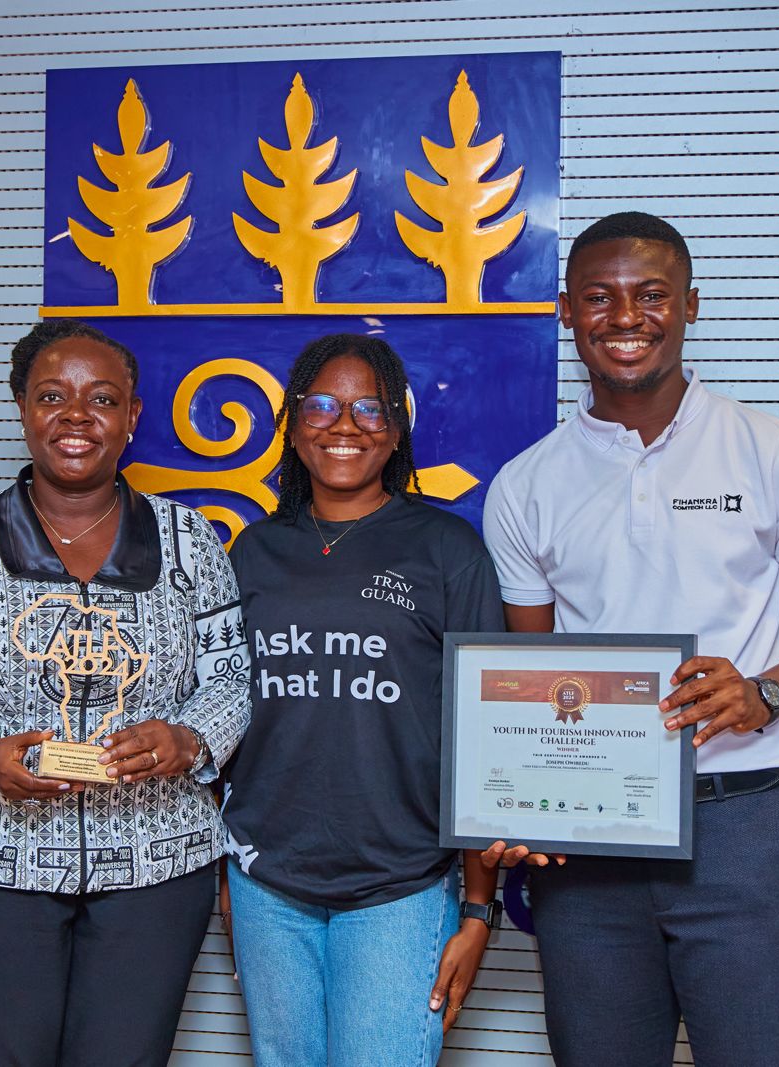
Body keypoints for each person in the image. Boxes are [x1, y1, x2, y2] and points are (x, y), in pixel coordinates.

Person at [482, 212, 779, 1066]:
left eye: (650, 295)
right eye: (599, 297)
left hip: (740, 826)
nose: (624, 316)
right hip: (591, 850)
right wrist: (519, 803)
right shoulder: (527, 486)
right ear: (567, 312)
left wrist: (766, 690)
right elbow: (529, 677)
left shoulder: (770, 452)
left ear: (691, 306)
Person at [0, 318, 251, 1067]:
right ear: (21, 408)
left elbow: (232, 681)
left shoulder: (190, 541)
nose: (77, 416)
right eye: (52, 396)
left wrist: (187, 738)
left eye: (102, 398)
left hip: (154, 867)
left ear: (132, 417)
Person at [220, 333, 544, 1067]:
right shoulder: (253, 550)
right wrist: (227, 874)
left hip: (399, 886)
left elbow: (483, 730)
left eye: (370, 407)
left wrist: (475, 907)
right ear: (293, 424)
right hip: (268, 882)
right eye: (323, 405)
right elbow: (226, 720)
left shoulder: (446, 548)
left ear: (397, 430)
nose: (345, 423)